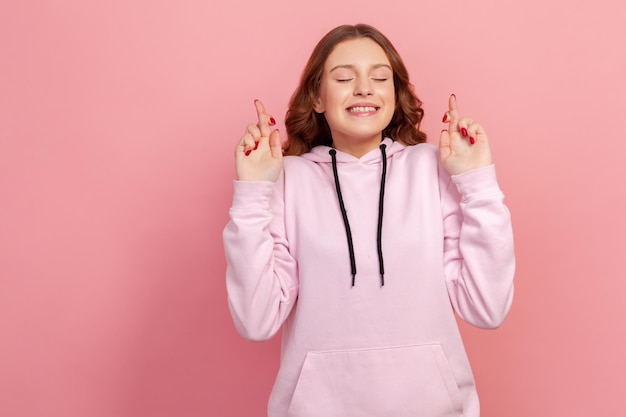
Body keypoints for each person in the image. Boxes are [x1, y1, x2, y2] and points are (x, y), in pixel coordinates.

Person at [223, 23, 515, 417]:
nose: (364, 88)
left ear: (395, 94)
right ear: (318, 98)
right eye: (344, 77)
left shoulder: (434, 168)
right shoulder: (287, 179)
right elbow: (256, 321)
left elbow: (488, 307)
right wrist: (253, 194)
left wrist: (477, 183)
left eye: (380, 78)